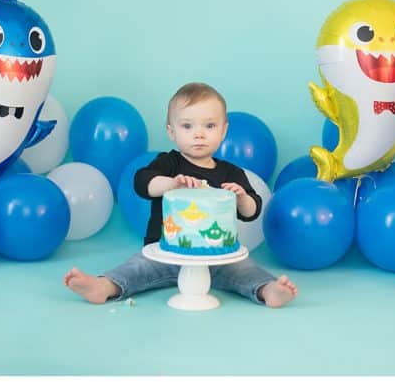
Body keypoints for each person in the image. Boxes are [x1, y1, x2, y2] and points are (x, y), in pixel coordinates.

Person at [65, 82, 298, 307]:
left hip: (217, 258)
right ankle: (103, 287)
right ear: (171, 131)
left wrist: (242, 199)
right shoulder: (169, 163)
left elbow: (252, 211)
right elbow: (142, 182)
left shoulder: (231, 172)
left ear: (224, 130)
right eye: (188, 126)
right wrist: (170, 184)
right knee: (136, 268)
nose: (199, 134)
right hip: (166, 253)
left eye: (209, 126)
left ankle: (268, 291)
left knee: (245, 269)